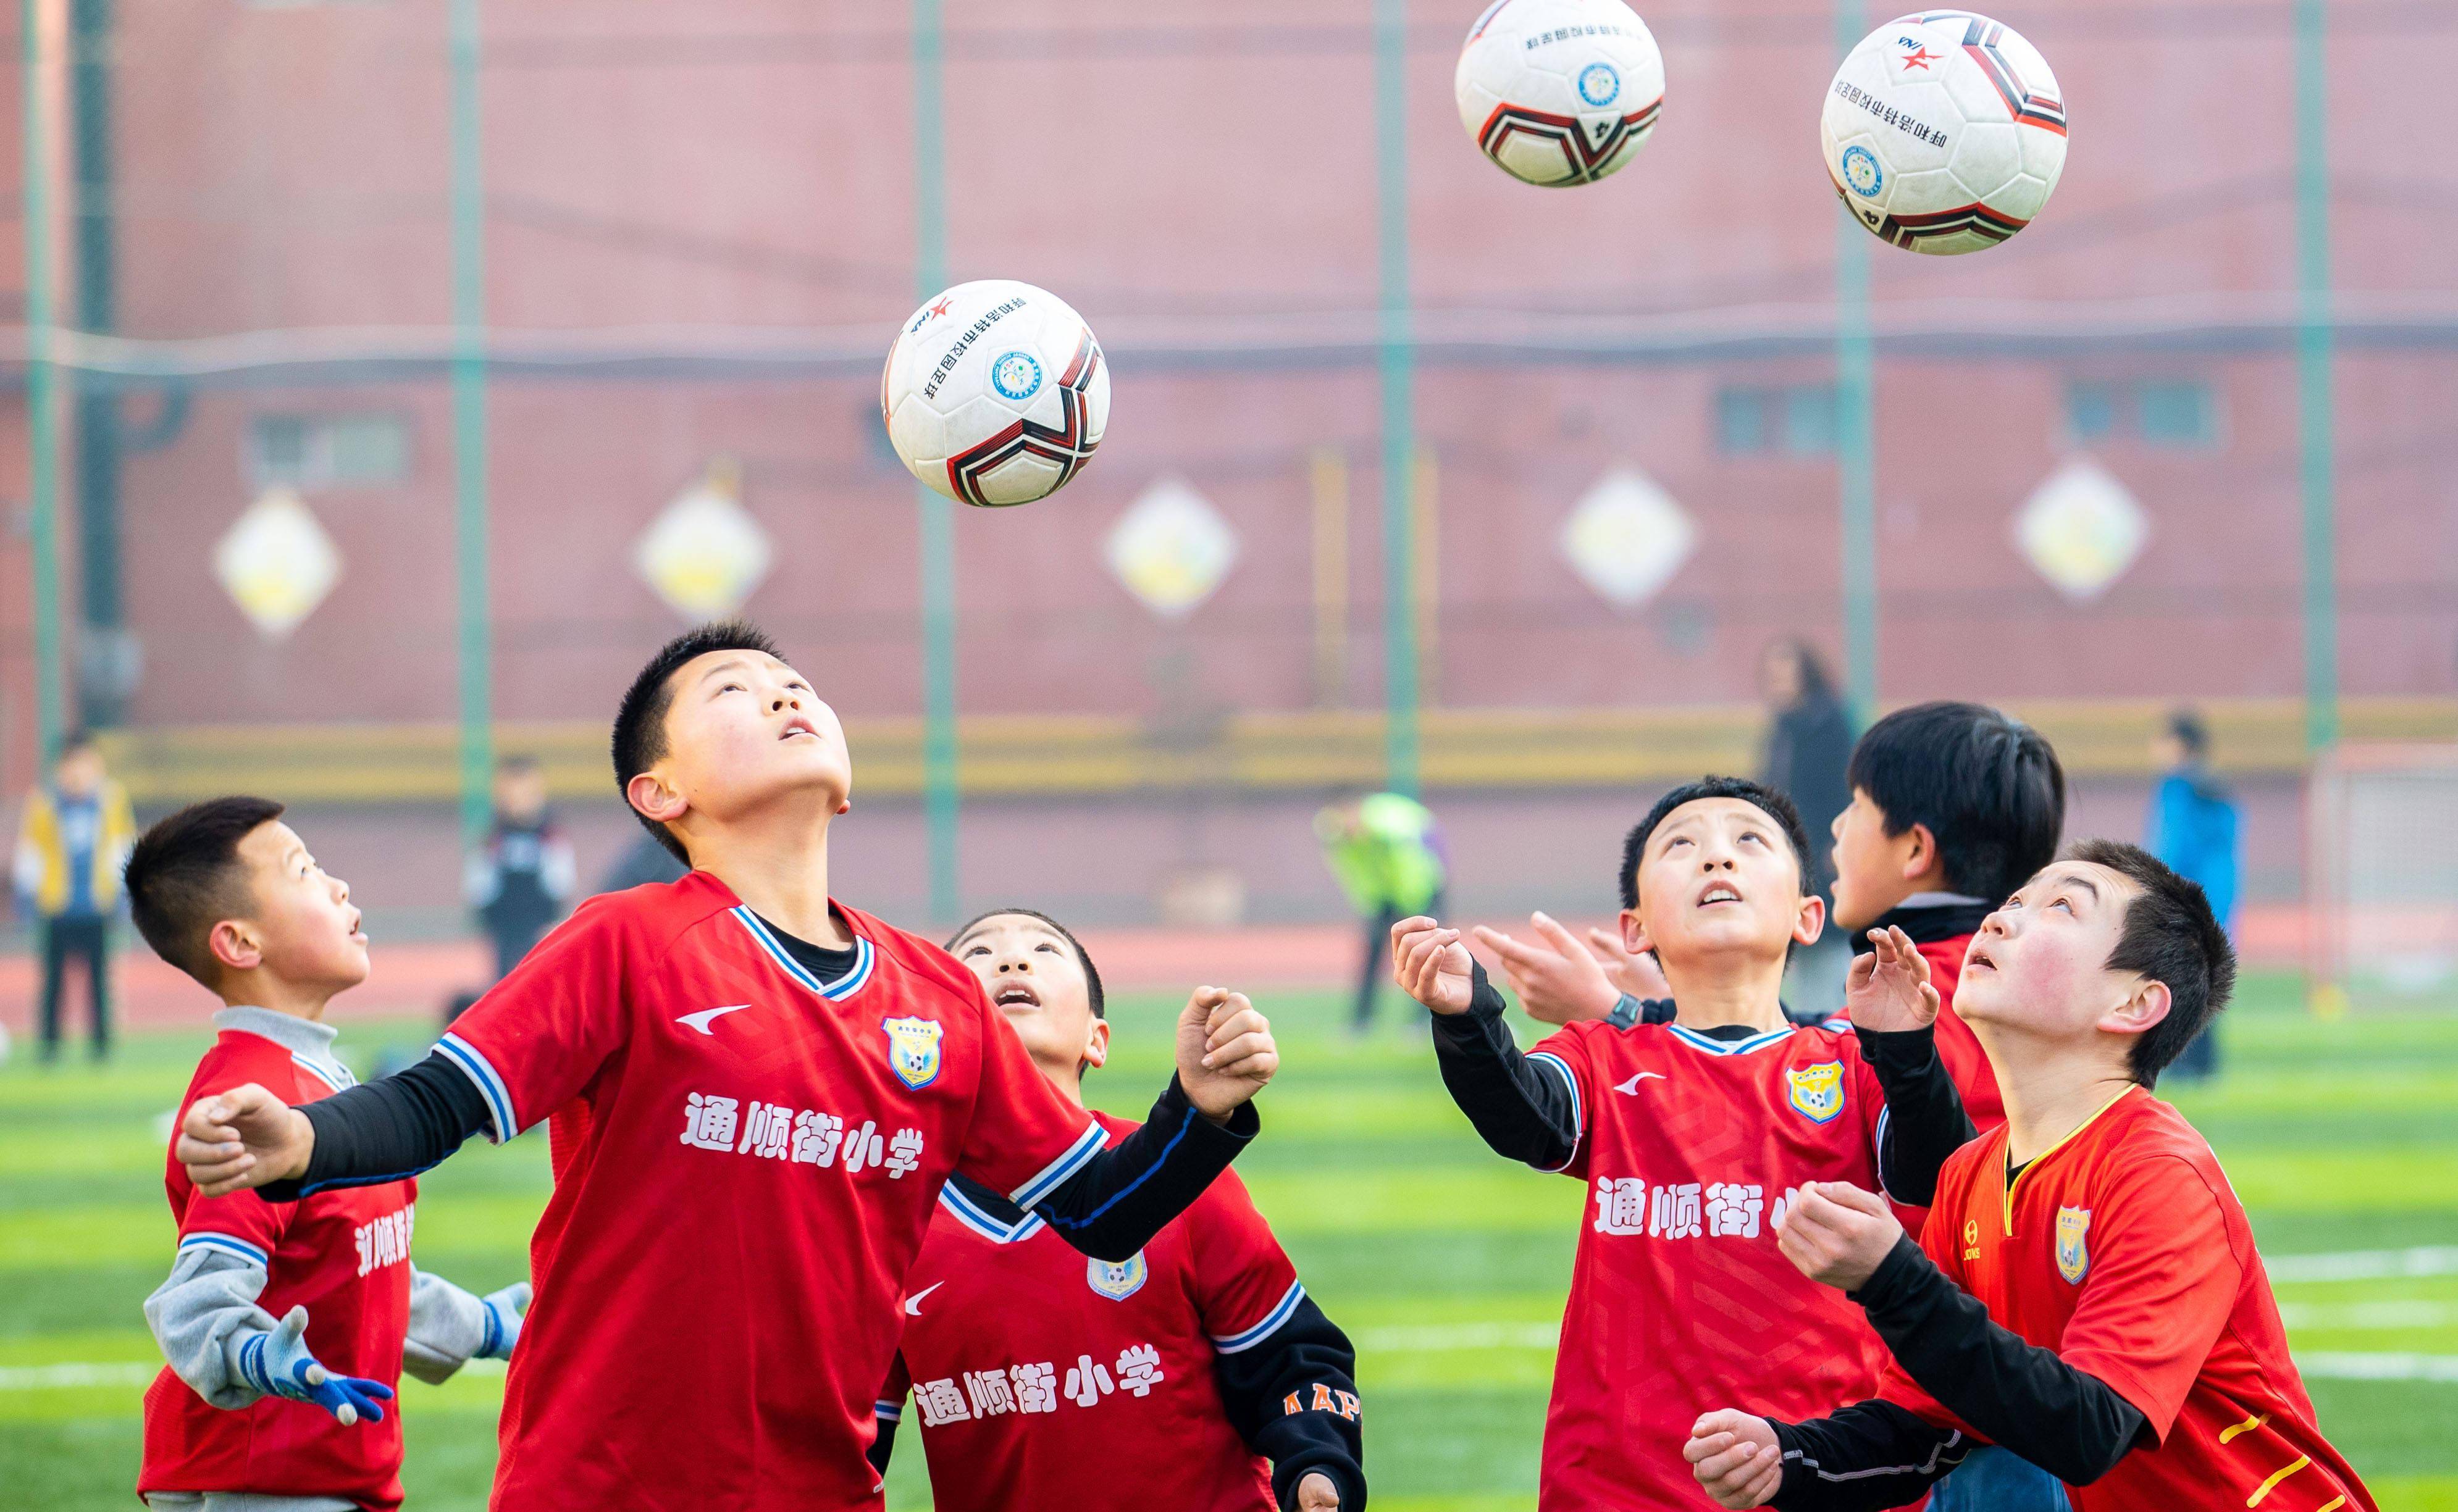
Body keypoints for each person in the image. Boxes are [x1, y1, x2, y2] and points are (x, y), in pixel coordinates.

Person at [171, 622, 1281, 1512]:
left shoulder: (936, 996)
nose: (787, 695)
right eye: (736, 692)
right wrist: (309, 1141)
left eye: (797, 683)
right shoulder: (627, 940)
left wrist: (1197, 1110)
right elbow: (438, 1100)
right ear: (659, 791)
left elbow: (1098, 1208)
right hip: (600, 1487)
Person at [1682, 842, 2375, 1512]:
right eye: (2015, 899)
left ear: (2133, 1005)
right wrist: (1789, 1457)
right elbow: (1927, 1426)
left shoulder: (2158, 1173)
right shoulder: (1970, 1173)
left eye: (2061, 908)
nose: (1999, 917)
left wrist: (1892, 1277)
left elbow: (2089, 1427)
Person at [1388, 775, 1976, 1511]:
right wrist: (1468, 1018)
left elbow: (1936, 1172)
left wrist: (1909, 1055)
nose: (1716, 859)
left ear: (1807, 915)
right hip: (1615, 1484)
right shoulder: (1606, 1054)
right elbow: (1525, 1118)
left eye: (1748, 842)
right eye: (1682, 846)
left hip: (1814, 1471)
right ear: (1635, 928)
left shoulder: (1850, 1060)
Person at [871, 908, 1365, 1512]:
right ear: (933, 1030)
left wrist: (1317, 1467)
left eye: (1046, 950)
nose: (1011, 959)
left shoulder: (1178, 1176)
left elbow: (1290, 1359)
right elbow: (846, 1434)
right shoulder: (890, 1218)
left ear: (1096, 1039)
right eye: (977, 952)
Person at [125, 796, 527, 1512]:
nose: (338, 886)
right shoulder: (251, 1103)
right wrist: (266, 1360)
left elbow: (356, 1273)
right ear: (240, 943)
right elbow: (195, 1305)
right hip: (261, 1478)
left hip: (325, 1467)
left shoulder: (318, 1079)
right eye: (303, 871)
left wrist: (491, 1325)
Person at [11, 730, 137, 1062]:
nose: (78, 772)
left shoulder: (111, 800)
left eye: (85, 764)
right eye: (71, 765)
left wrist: (126, 894)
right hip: (57, 906)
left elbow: (122, 847)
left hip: (98, 905)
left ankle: (101, 1046)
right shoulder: (44, 803)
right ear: (60, 768)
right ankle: (50, 1045)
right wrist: (26, 897)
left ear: (95, 765)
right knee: (53, 983)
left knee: (99, 981)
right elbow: (32, 851)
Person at [1758, 640, 1856, 1021]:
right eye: (1773, 675)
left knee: (1827, 936)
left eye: (1787, 673)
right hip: (1790, 852)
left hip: (1821, 853)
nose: (1779, 683)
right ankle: (1813, 1023)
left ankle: (1838, 1026)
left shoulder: (1830, 722)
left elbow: (1844, 789)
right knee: (1802, 940)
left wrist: (1838, 845)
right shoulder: (1785, 726)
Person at [2144, 708, 2236, 1083]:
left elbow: (2172, 848)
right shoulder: (2216, 788)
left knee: (2179, 976)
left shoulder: (2179, 788)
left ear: (2180, 745)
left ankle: (2187, 1062)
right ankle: (2203, 1062)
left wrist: (2156, 888)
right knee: (2205, 974)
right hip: (2218, 895)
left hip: (2185, 896)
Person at [1315, 790, 1446, 1033]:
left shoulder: (1386, 823)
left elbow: (1412, 857)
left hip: (1421, 889)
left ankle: (1426, 1019)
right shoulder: (1338, 836)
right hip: (1386, 896)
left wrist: (1417, 903)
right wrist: (1374, 904)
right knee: (1372, 954)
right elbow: (1356, 873)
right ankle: (1361, 1021)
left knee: (1427, 955)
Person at [463, 754, 577, 984]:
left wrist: (555, 910)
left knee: (540, 978)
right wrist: (484, 909)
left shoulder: (548, 834)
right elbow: (480, 880)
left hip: (539, 920)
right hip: (503, 922)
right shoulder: (495, 836)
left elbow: (561, 879)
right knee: (504, 981)